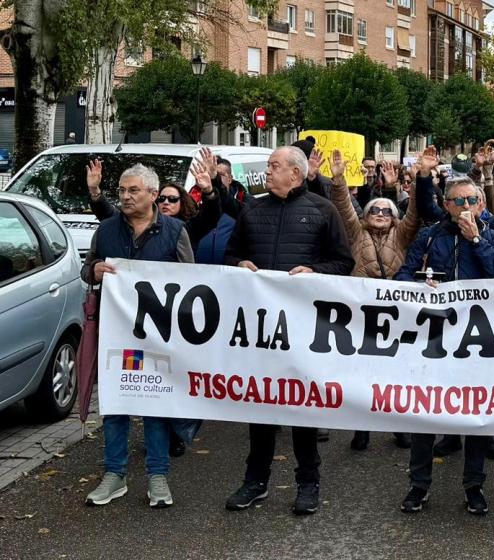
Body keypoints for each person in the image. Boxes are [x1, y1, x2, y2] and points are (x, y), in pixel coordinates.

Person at [223, 146, 355, 516]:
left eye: (274, 166)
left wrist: (316, 272)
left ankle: (308, 483)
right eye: (269, 166)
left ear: (295, 174)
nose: (268, 171)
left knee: (302, 410)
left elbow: (344, 262)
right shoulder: (252, 209)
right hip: (260, 329)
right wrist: (240, 264)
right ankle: (255, 481)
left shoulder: (322, 211)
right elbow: (229, 257)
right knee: (259, 407)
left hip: (302, 330)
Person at [394, 146, 494, 516]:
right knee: (424, 414)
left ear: (481, 204)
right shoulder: (429, 236)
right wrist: (418, 285)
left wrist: (476, 239)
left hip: (477, 340)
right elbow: (403, 275)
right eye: (456, 201)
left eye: (471, 200)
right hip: (434, 337)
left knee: (475, 416)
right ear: (445, 205)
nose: (464, 206)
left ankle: (474, 486)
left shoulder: (492, 235)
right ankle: (419, 485)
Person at [82, 164, 195, 508]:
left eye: (133, 191)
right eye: (121, 191)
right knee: (115, 403)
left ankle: (157, 476)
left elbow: (191, 282)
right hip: (116, 335)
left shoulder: (175, 231)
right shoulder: (106, 230)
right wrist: (95, 271)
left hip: (157, 337)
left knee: (154, 404)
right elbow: (88, 267)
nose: (126, 197)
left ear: (152, 194)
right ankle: (114, 474)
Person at [327, 152, 418, 451]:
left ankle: (400, 426)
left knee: (398, 374)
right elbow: (343, 207)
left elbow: (415, 214)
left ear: (394, 217)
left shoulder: (402, 236)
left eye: (386, 210)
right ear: (365, 216)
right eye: (374, 210)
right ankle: (362, 428)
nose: (380, 213)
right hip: (361, 314)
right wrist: (338, 180)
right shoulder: (355, 233)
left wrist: (411, 186)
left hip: (397, 314)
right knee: (362, 374)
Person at [86, 155, 222, 253]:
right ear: (155, 198)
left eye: (173, 199)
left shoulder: (183, 229)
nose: (166, 202)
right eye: (162, 199)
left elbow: (211, 216)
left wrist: (209, 190)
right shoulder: (123, 221)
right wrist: (94, 190)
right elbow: (107, 213)